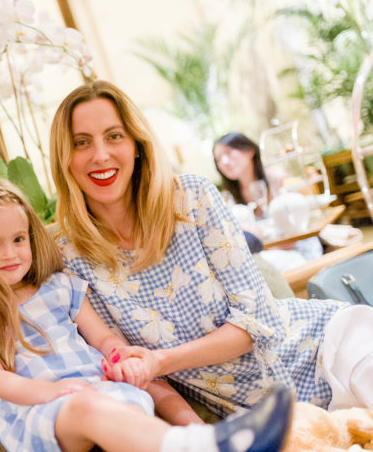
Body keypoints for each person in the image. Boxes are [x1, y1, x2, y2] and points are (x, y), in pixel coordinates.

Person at [49, 80, 373, 419]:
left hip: (328, 346)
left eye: (114, 136)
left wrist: (160, 361)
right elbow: (136, 373)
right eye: (81, 142)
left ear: (137, 145)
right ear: (64, 158)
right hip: (263, 413)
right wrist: (198, 442)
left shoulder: (192, 198)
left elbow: (257, 320)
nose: (100, 155)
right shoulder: (69, 257)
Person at [0, 178, 292, 452]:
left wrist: (119, 356)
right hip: (37, 415)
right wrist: (54, 393)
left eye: (19, 239)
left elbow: (104, 337)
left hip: (100, 393)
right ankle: (207, 450)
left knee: (139, 423)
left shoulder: (60, 287)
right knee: (85, 407)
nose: (10, 253)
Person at [212, 132, 323, 271]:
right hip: (266, 255)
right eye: (218, 159)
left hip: (299, 249)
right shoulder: (228, 198)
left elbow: (304, 220)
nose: (224, 162)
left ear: (250, 151)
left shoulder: (278, 179)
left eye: (228, 153)